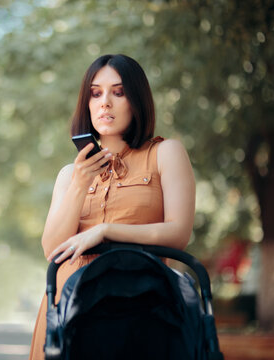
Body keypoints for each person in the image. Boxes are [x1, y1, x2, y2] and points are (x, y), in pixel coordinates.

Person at [28, 54, 196, 359]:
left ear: (136, 100)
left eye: (118, 92)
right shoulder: (70, 174)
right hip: (70, 312)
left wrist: (105, 232)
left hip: (142, 311)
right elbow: (53, 250)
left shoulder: (165, 153)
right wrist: (81, 183)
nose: (105, 102)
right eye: (96, 93)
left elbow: (179, 233)